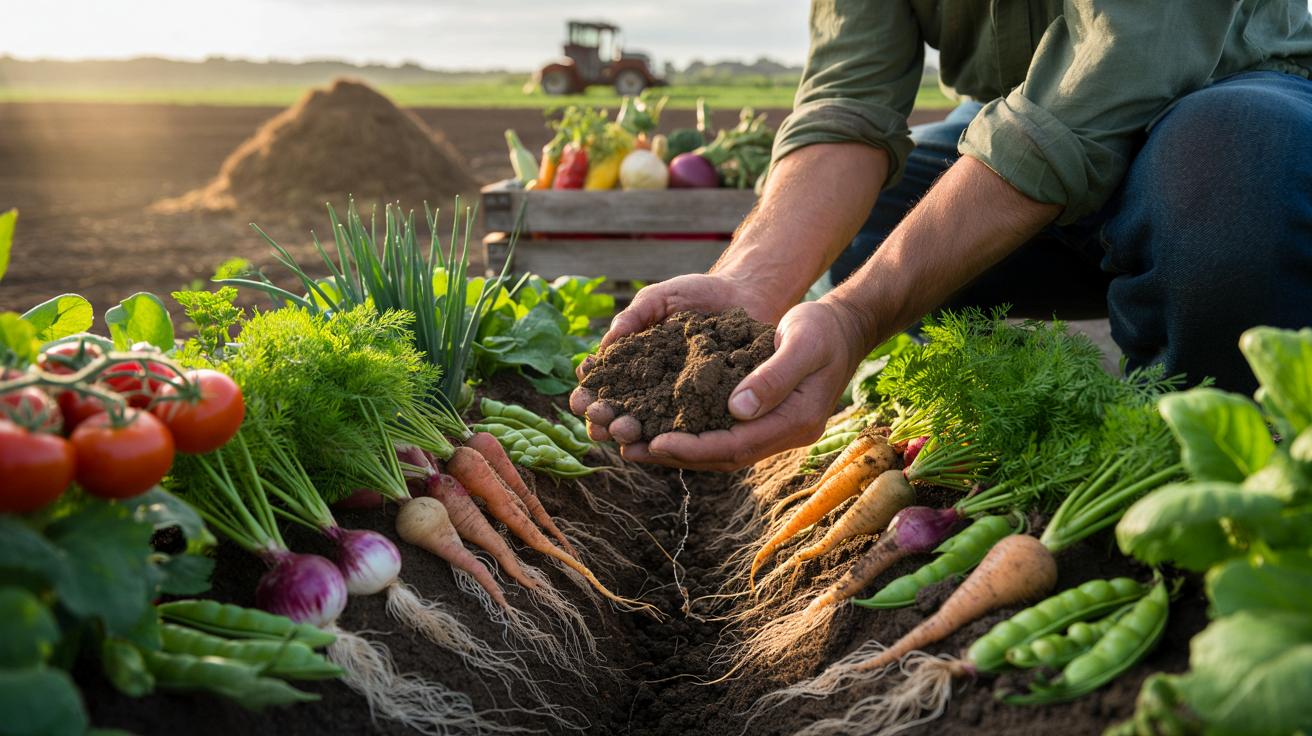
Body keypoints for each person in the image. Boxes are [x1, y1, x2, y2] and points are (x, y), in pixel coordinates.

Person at [572, 0, 1312, 471]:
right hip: (1022, 127)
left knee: (1236, 169)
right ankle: (977, 417)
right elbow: (848, 102)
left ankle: (1205, 457)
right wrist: (751, 286)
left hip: (1222, 99)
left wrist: (859, 315)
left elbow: (1115, 70)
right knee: (877, 214)